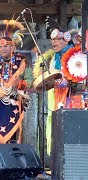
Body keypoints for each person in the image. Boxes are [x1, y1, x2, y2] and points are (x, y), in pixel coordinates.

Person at [33, 28, 86, 156]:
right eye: (52, 40)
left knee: (72, 129)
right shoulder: (54, 57)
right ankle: (56, 161)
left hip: (73, 100)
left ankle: (73, 159)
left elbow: (81, 81)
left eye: (57, 39)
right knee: (55, 128)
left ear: (67, 39)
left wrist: (56, 83)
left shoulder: (77, 54)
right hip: (55, 101)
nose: (54, 42)